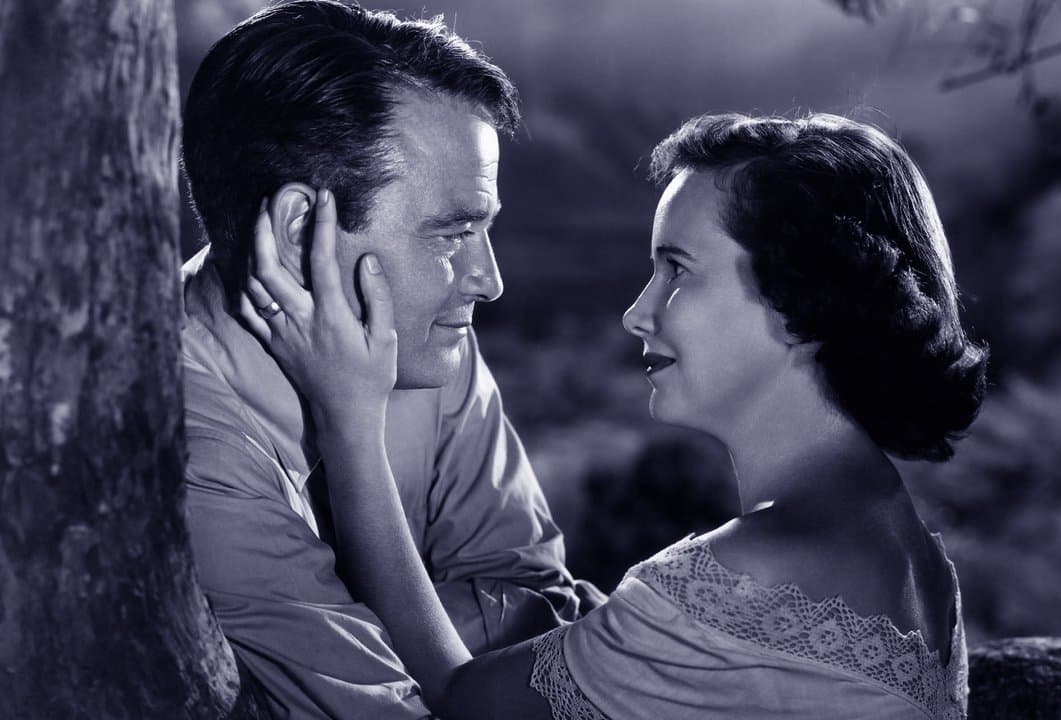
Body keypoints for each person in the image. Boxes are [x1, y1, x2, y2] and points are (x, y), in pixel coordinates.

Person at [244, 112, 987, 719]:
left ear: (802, 299)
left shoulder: (756, 571)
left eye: (677, 269)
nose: (638, 312)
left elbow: (458, 698)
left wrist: (350, 418)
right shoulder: (916, 559)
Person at [178, 2, 601, 717]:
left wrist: (374, 628)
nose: (488, 280)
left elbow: (544, 605)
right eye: (451, 234)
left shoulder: (422, 339)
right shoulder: (182, 443)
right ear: (300, 230)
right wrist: (456, 647)